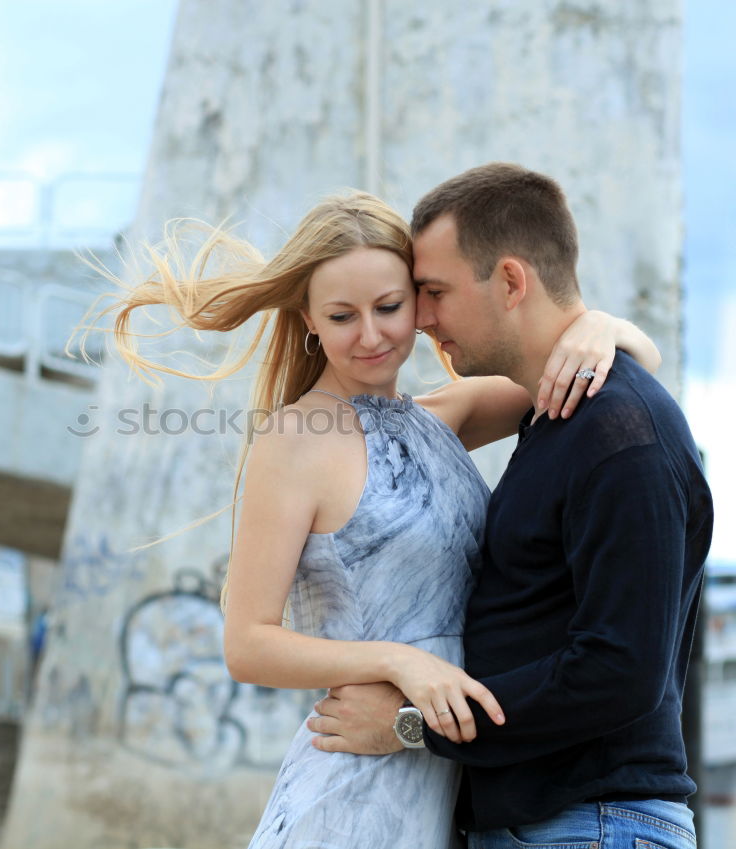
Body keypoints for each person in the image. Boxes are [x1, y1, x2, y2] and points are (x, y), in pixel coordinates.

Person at [104, 190, 661, 849]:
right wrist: (401, 662)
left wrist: (600, 326)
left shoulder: (443, 416)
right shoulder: (293, 441)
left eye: (389, 307)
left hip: (444, 782)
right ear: (308, 319)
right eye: (342, 315)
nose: (370, 335)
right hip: (351, 793)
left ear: (421, 305)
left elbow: (618, 372)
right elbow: (247, 642)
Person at [306, 165, 714, 849]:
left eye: (433, 292)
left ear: (512, 282)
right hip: (551, 827)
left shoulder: (621, 436)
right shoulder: (562, 412)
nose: (422, 318)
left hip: (592, 827)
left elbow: (619, 674)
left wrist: (412, 724)